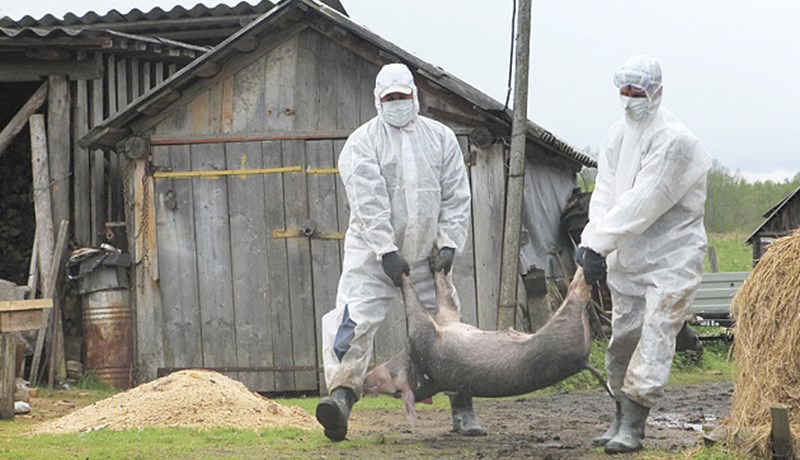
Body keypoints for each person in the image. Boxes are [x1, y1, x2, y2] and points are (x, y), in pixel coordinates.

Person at [316, 63, 479, 442]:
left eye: (402, 97)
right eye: (389, 98)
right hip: (372, 257)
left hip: (426, 256)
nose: (397, 104)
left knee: (446, 329)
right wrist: (386, 250)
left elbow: (456, 194)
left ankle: (463, 409)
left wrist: (450, 243)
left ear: (414, 96)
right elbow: (367, 200)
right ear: (378, 100)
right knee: (351, 322)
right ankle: (340, 400)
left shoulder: (440, 138)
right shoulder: (362, 142)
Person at [577, 55, 712, 454]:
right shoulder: (616, 135)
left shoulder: (677, 141)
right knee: (624, 340)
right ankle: (618, 415)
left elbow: (644, 201)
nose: (630, 98)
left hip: (671, 259)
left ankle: (634, 427)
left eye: (638, 91)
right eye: (625, 90)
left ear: (655, 92)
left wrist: (600, 243)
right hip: (628, 259)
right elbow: (603, 192)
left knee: (653, 339)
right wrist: (592, 240)